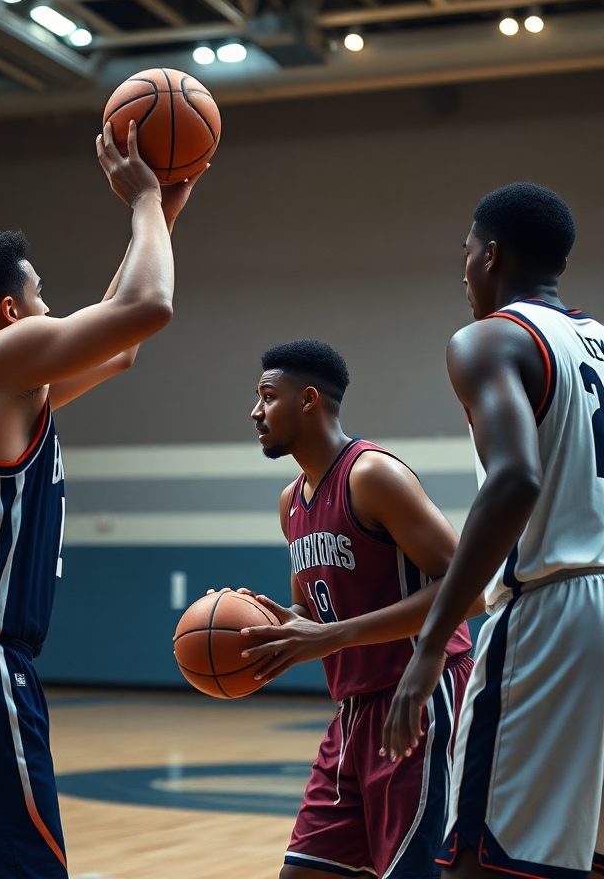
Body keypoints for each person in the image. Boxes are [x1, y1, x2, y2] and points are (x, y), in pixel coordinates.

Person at [381, 183, 604, 879]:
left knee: (487, 864)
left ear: (490, 255)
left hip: (562, 614)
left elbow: (515, 479)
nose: (462, 271)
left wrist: (430, 648)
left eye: (465, 253)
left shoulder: (488, 339)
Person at [0, 121, 204, 879]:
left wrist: (164, 213)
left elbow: (119, 344)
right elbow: (150, 307)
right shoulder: (1, 366)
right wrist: (144, 201)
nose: (54, 306)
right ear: (11, 314)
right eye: (41, 294)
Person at [241, 340, 480, 879]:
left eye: (267, 397)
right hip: (353, 714)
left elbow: (470, 587)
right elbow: (311, 609)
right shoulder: (291, 502)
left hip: (420, 699)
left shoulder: (372, 476)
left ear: (308, 400)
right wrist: (274, 624)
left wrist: (335, 637)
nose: (255, 411)